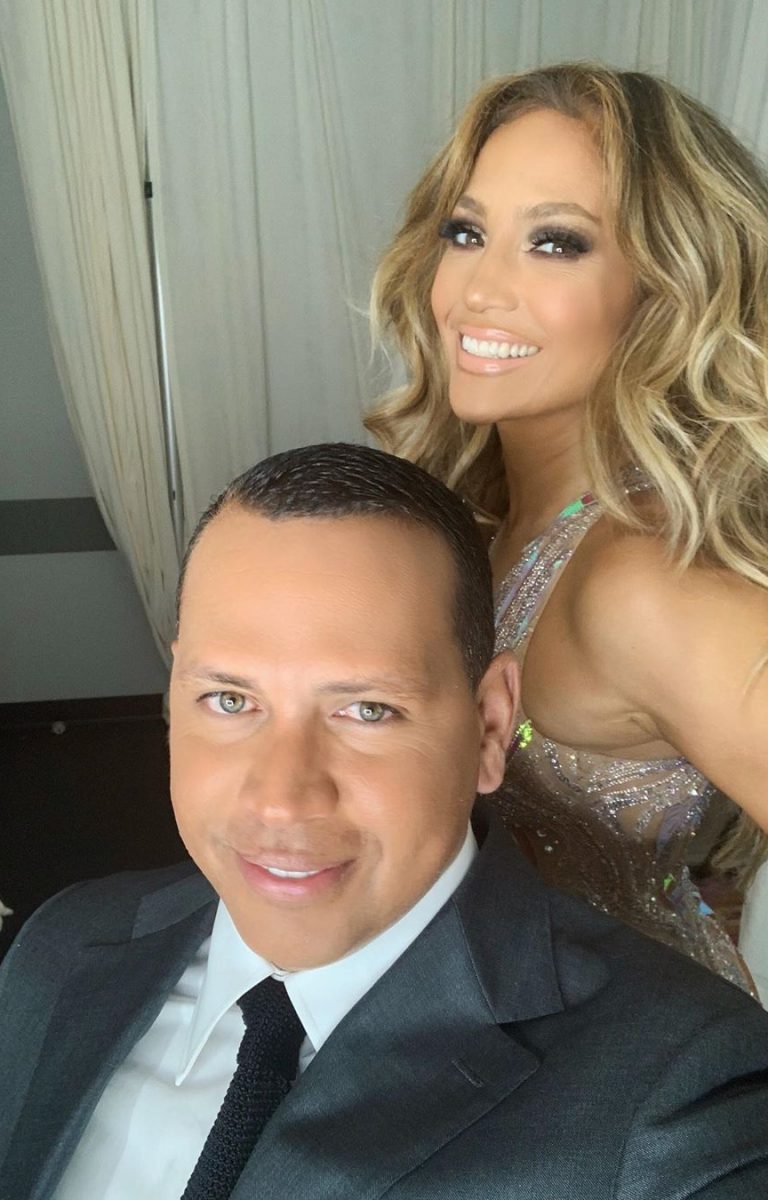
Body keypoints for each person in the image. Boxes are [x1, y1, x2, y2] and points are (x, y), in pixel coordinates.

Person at [2, 442, 768, 1199]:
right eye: (231, 700)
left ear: (490, 727)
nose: (281, 798)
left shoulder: (680, 1101)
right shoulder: (61, 947)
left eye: (367, 710)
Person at [365, 63, 768, 995]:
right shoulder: (481, 515)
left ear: (666, 288)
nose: (478, 289)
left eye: (556, 243)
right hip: (477, 1021)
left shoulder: (646, 587)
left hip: (633, 1058)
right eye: (466, 232)